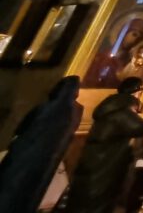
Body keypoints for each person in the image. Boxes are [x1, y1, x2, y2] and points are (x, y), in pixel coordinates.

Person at [66, 77, 143, 213]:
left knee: (84, 202)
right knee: (93, 204)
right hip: (103, 168)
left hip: (95, 164)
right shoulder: (121, 112)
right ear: (136, 92)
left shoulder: (113, 107)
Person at [0, 75, 82, 213]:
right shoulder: (75, 112)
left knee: (10, 186)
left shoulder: (47, 107)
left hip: (26, 151)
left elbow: (22, 128)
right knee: (30, 191)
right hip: (48, 159)